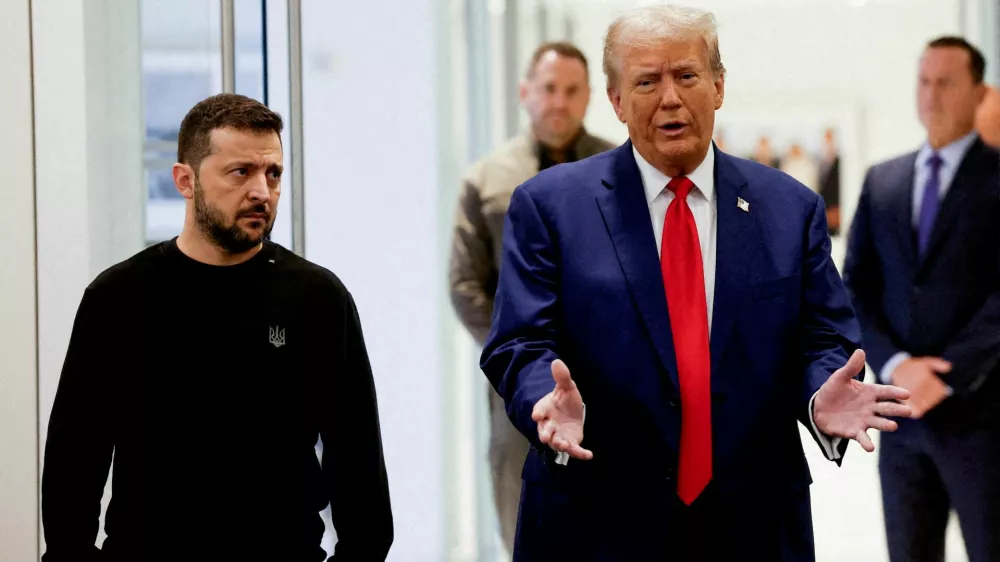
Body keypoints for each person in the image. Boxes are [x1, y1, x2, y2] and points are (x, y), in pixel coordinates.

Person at [481, 5, 911, 561]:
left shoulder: (789, 208)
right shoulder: (549, 206)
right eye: (646, 81)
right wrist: (545, 397)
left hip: (752, 522)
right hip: (595, 516)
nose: (669, 98)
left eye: (686, 76)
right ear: (615, 100)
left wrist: (818, 393)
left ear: (718, 85)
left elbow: (823, 338)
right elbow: (519, 340)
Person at [40, 94, 393, 561]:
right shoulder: (119, 297)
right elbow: (74, 461)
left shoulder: (318, 299)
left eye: (273, 173)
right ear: (185, 181)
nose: (262, 193)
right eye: (240, 172)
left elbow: (359, 464)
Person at [449, 41, 615, 553]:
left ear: (590, 97)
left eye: (571, 90)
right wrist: (520, 356)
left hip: (614, 386)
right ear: (526, 93)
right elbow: (465, 287)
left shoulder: (624, 171)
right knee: (522, 523)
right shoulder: (486, 179)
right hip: (521, 396)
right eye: (548, 89)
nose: (558, 102)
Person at [843, 36, 1000, 562]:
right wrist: (897, 364)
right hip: (902, 422)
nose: (931, 95)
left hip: (983, 418)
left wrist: (948, 373)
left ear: (978, 92)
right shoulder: (883, 180)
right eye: (924, 81)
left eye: (946, 83)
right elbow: (855, 286)